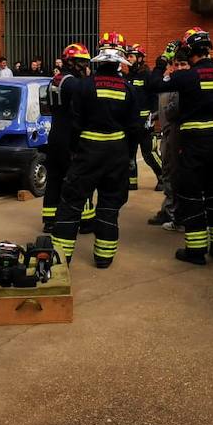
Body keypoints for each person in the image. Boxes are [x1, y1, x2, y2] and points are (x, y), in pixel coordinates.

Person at [149, 27, 213, 265]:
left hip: (193, 145)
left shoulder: (186, 77)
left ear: (188, 50)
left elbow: (155, 83)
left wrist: (164, 58)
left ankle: (196, 252)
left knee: (192, 197)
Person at [49, 46, 136, 269]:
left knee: (71, 203)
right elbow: (133, 125)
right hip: (116, 152)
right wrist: (127, 154)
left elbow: (75, 122)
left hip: (88, 150)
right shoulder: (128, 87)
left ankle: (61, 258)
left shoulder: (85, 86)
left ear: (97, 63)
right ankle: (104, 258)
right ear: (118, 64)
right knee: (109, 204)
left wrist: (74, 149)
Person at [41, 43, 92, 234]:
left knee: (54, 178)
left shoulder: (54, 80)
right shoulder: (74, 83)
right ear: (70, 61)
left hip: (55, 134)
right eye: (81, 62)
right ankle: (86, 221)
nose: (85, 67)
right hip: (71, 136)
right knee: (79, 178)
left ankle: (50, 219)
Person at [148, 45, 190, 229]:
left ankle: (176, 214)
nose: (179, 67)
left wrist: (165, 113)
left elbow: (175, 108)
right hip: (166, 133)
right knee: (167, 172)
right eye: (176, 64)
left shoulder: (184, 83)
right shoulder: (169, 80)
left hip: (176, 133)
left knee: (175, 174)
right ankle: (168, 209)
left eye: (183, 64)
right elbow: (163, 99)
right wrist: (155, 115)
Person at [125, 43, 162, 191]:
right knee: (129, 155)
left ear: (140, 58)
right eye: (128, 56)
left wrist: (153, 116)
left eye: (132, 56)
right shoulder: (127, 77)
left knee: (149, 154)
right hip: (130, 123)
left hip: (145, 123)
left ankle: (163, 178)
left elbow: (155, 98)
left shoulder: (147, 75)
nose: (129, 58)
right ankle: (131, 181)